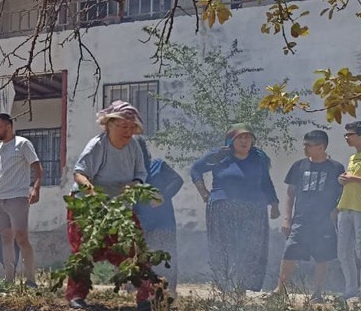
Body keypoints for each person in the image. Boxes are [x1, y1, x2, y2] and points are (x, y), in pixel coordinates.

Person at [67, 101, 153, 311]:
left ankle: (146, 298)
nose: (127, 131)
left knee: (134, 247)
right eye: (123, 126)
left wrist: (134, 185)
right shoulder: (98, 145)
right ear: (109, 125)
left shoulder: (133, 146)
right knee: (85, 250)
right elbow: (79, 173)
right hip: (87, 204)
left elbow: (140, 174)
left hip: (119, 205)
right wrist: (93, 194)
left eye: (131, 127)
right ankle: (76, 295)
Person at [191, 123, 280, 293]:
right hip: (223, 208)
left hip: (254, 209)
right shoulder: (219, 156)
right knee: (225, 246)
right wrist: (203, 192)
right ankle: (226, 286)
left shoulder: (258, 158)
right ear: (231, 140)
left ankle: (248, 286)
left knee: (253, 247)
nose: (244, 141)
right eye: (240, 137)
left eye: (248, 137)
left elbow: (265, 182)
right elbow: (195, 169)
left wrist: (274, 204)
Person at [273, 130, 344, 300]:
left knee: (322, 255)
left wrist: (335, 212)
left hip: (324, 221)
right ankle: (280, 289)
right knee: (289, 251)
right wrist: (287, 218)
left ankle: (317, 292)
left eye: (308, 145)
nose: (304, 147)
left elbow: (341, 193)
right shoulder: (299, 166)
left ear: (321, 147)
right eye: (304, 144)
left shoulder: (336, 168)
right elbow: (290, 193)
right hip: (300, 220)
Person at [0, 114, 42, 286]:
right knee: (5, 238)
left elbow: (37, 167)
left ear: (9, 126)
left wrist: (35, 188)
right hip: (0, 199)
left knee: (21, 238)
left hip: (18, 198)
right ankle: (9, 279)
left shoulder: (23, 144)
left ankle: (30, 280)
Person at [134, 137, 182, 296]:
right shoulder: (130, 175)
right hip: (142, 225)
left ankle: (166, 296)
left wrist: (163, 195)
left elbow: (177, 180)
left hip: (163, 224)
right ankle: (147, 295)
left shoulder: (158, 166)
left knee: (165, 260)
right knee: (145, 262)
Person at [337, 121, 361, 304]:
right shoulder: (353, 158)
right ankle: (350, 288)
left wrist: (353, 178)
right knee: (343, 251)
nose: (347, 138)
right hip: (346, 206)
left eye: (350, 134)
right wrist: (343, 179)